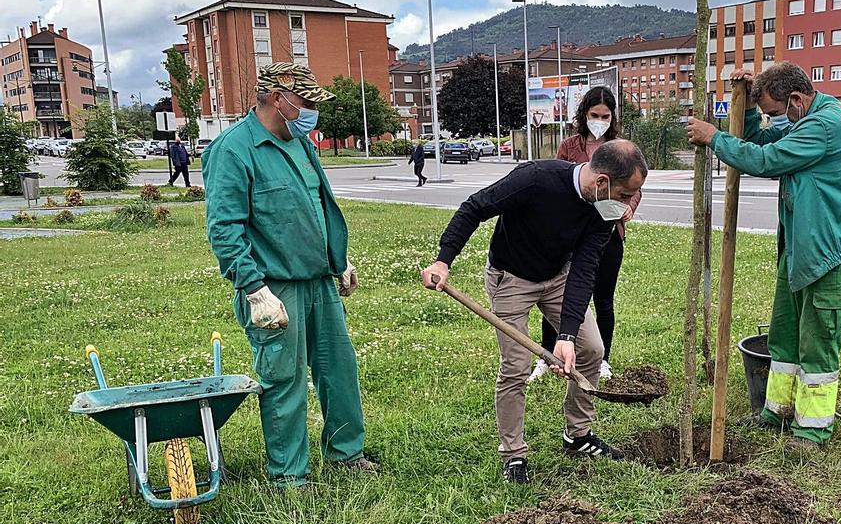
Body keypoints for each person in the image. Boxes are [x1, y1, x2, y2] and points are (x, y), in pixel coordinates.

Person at [421, 140, 648, 484]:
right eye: (625, 194)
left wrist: (567, 335)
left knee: (591, 349)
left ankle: (578, 435)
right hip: (511, 278)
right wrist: (443, 259)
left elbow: (585, 269)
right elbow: (474, 207)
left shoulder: (602, 211)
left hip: (558, 276)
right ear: (601, 182)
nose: (627, 204)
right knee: (516, 366)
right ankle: (513, 454)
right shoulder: (536, 179)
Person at [204, 62, 378, 488]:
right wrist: (253, 289)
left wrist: (340, 260)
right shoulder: (234, 150)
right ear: (278, 99)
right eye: (305, 103)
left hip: (319, 282)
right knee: (284, 379)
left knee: (339, 371)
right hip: (274, 287)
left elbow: (316, 208)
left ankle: (346, 453)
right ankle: (289, 475)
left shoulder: (302, 145)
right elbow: (224, 228)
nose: (311, 112)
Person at [685, 62, 841, 451]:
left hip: (827, 252)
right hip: (799, 249)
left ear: (795, 100)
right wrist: (747, 105)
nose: (772, 119)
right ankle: (777, 410)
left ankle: (813, 428)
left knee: (817, 341)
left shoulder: (824, 125)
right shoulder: (803, 116)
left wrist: (714, 138)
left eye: (774, 111)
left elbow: (766, 161)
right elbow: (759, 140)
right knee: (785, 335)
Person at [531, 86, 640, 382]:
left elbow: (635, 187)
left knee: (604, 299)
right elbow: (560, 181)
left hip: (608, 233)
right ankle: (546, 355)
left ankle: (602, 358)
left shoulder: (621, 148)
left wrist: (629, 206)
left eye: (605, 116)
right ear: (584, 114)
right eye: (595, 115)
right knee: (556, 297)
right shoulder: (570, 145)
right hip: (573, 233)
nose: (600, 120)